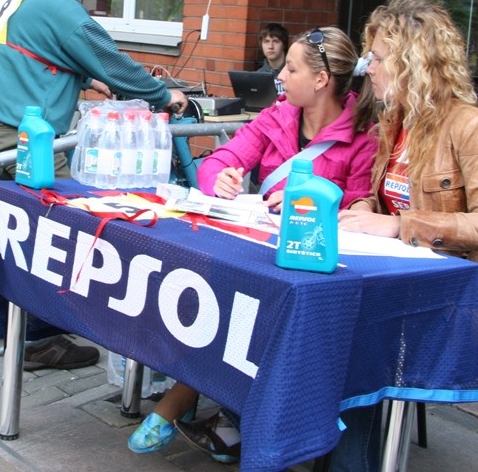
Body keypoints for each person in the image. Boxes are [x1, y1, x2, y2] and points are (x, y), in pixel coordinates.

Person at [127, 26, 377, 462]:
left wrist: (307, 204)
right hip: (263, 248)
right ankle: (221, 412)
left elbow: (359, 213)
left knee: (248, 303)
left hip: (317, 268)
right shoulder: (278, 115)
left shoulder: (363, 135)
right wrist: (219, 177)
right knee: (215, 286)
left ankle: (193, 403)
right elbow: (223, 159)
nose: (281, 77)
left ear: (321, 79)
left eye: (292, 69)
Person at [0, 0, 188, 371]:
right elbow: (111, 59)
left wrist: (87, 79)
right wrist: (164, 95)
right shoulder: (60, 6)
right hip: (17, 134)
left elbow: (36, 50)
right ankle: (40, 337)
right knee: (73, 221)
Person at [328, 0, 478, 471]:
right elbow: (385, 201)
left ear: (414, 63)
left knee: (357, 344)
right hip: (411, 286)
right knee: (322, 322)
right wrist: (362, 208)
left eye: (378, 58)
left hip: (473, 300)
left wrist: (400, 225)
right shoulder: (396, 121)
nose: (368, 68)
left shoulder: (473, 128)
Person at [255, 22, 289, 94]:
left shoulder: (294, 72)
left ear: (284, 44)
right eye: (266, 41)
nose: (270, 46)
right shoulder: (257, 76)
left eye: (275, 41)